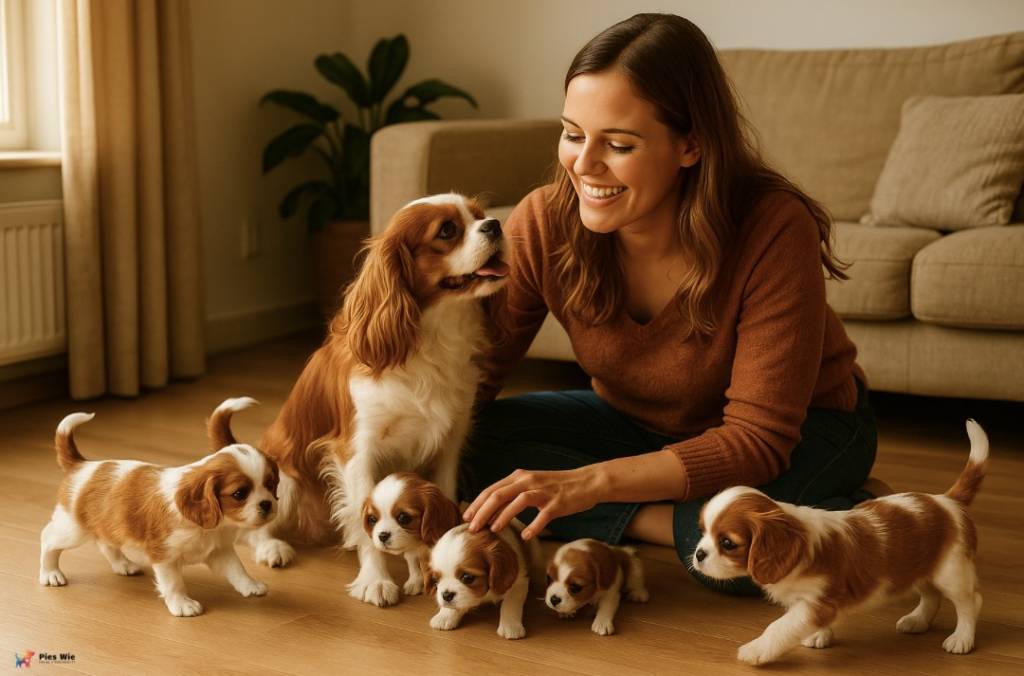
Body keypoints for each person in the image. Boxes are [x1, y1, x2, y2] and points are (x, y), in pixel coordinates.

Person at [458, 13, 878, 595]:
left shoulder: (772, 227)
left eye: (620, 144)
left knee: (736, 567)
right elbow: (471, 375)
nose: (583, 165)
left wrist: (588, 487)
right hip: (640, 428)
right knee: (465, 447)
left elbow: (756, 439)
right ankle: (688, 525)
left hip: (810, 429)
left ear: (690, 144)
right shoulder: (544, 220)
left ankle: (707, 526)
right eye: (573, 134)